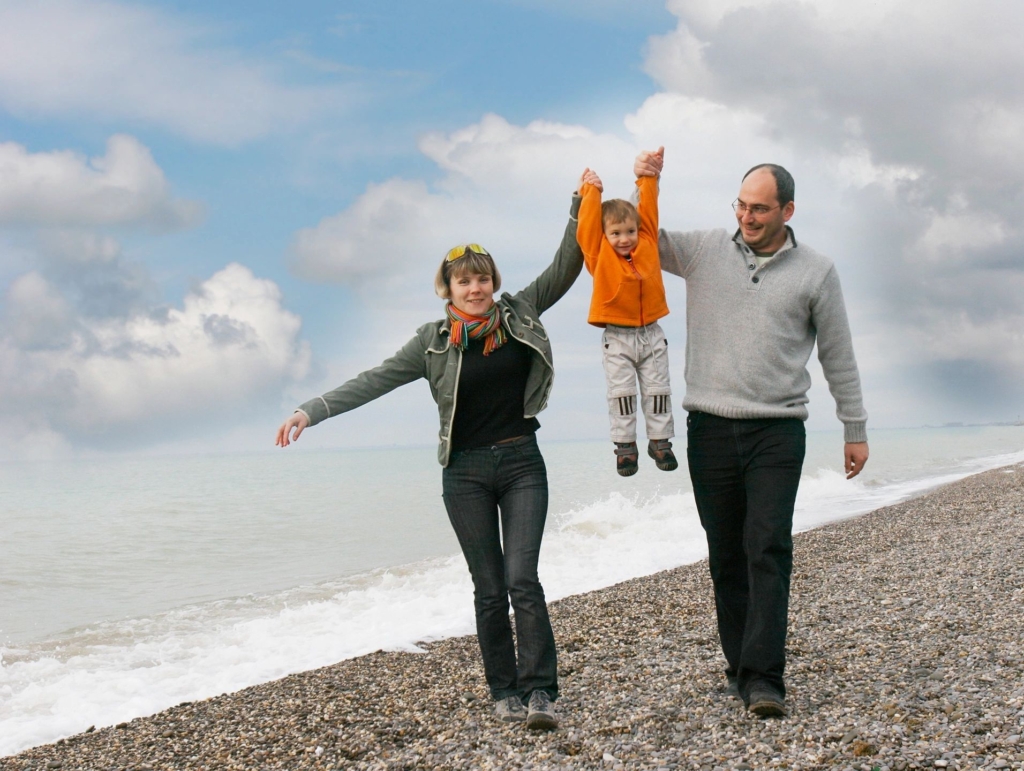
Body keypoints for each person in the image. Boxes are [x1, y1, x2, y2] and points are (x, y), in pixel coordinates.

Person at [275, 174, 594, 731]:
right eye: (463, 281)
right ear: (446, 288)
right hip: (464, 474)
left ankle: (541, 691)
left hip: (522, 462)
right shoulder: (430, 342)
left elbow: (566, 265)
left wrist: (579, 205)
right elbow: (373, 380)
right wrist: (312, 408)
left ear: (494, 281)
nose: (475, 288)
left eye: (482, 278)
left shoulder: (520, 311)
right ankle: (504, 691)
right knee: (490, 588)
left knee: (523, 577)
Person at [634, 150, 869, 717]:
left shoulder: (816, 270)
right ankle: (740, 663)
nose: (747, 216)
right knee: (726, 554)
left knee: (767, 547)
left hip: (777, 429)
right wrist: (632, 186)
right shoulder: (705, 250)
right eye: (741, 204)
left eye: (760, 208)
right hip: (710, 427)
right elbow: (638, 239)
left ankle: (764, 677)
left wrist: (854, 427)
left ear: (787, 210)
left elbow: (838, 352)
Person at [577, 149, 677, 476]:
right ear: (605, 237)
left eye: (629, 231)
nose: (625, 239)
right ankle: (625, 446)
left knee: (658, 389)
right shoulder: (599, 255)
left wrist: (647, 176)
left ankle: (660, 440)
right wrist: (592, 191)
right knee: (622, 394)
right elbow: (588, 228)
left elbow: (648, 208)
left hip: (652, 333)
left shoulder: (646, 239)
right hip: (617, 338)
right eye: (616, 233)